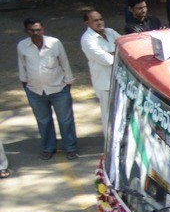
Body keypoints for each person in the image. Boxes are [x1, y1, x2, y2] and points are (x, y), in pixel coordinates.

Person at [17, 18, 78, 161]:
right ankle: (48, 148)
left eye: (38, 30)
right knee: (43, 121)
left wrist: (68, 83)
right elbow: (22, 67)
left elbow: (64, 63)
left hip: (59, 89)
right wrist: (25, 86)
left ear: (43, 30)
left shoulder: (54, 43)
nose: (35, 33)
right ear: (26, 31)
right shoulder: (22, 46)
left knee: (65, 120)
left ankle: (70, 148)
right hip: (35, 91)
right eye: (32, 30)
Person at [78, 9, 118, 128]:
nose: (100, 22)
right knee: (109, 118)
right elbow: (108, 60)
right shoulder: (87, 39)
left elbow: (127, 48)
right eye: (95, 20)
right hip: (105, 84)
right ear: (87, 23)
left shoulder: (110, 32)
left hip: (119, 80)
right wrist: (117, 53)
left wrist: (113, 53)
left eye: (101, 19)